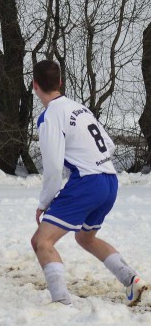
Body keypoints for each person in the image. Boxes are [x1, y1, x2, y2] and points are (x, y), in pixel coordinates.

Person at [31, 60, 147, 306]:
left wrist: (45, 202)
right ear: (60, 83)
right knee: (86, 238)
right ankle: (131, 280)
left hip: (88, 184)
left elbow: (52, 167)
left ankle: (61, 304)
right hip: (109, 180)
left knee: (41, 241)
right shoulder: (79, 108)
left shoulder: (50, 116)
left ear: (34, 85)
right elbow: (109, 144)